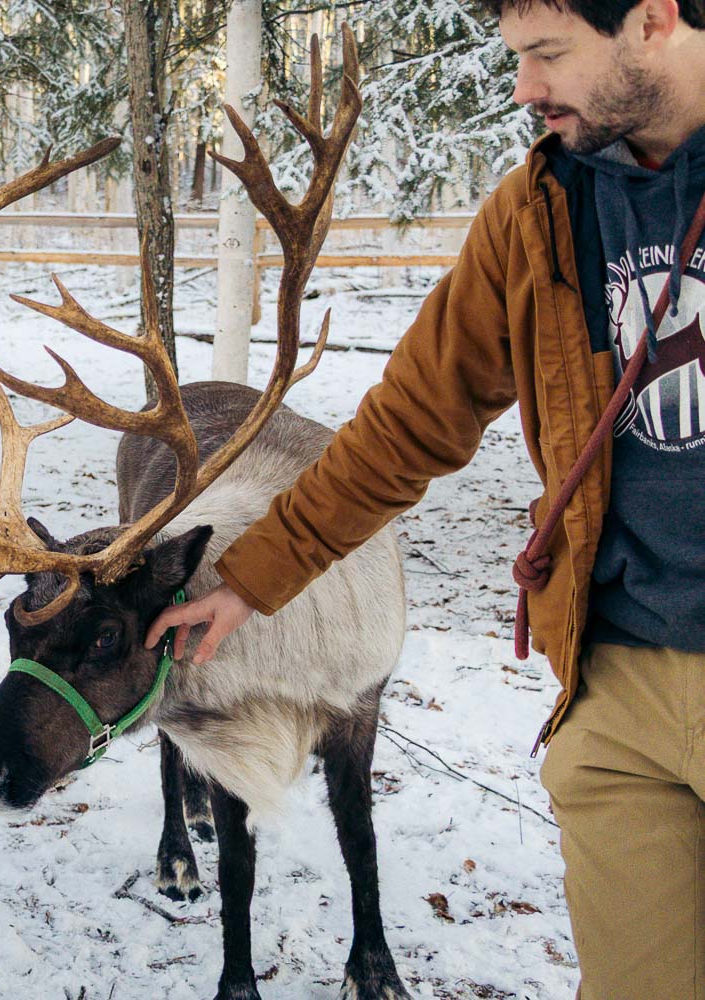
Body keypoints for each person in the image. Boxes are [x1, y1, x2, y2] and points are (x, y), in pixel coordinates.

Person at [147, 0, 705, 994]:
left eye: (547, 54)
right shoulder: (540, 211)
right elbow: (405, 426)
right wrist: (252, 580)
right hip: (621, 691)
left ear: (655, 19)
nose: (525, 88)